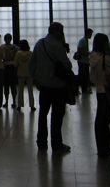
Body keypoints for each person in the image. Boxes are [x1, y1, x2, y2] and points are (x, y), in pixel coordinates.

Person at [30, 22, 73, 154]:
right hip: (58, 86)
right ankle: (56, 144)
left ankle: (41, 142)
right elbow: (68, 65)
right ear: (57, 32)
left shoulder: (40, 43)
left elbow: (32, 63)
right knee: (57, 116)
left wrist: (35, 79)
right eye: (61, 31)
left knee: (43, 114)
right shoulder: (58, 46)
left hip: (44, 86)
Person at [14, 39, 35, 112]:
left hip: (20, 73)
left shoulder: (18, 53)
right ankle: (32, 105)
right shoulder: (31, 53)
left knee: (20, 90)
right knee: (30, 90)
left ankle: (19, 105)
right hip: (29, 73)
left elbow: (15, 64)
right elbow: (33, 63)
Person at [1, 33, 18, 108]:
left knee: (8, 85)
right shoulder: (15, 47)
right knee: (11, 84)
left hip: (6, 66)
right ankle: (12, 101)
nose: (7, 40)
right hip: (11, 67)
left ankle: (8, 101)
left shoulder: (2, 47)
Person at [75, 28, 93, 94]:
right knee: (82, 76)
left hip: (84, 61)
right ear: (88, 33)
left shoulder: (84, 40)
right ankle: (76, 89)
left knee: (84, 76)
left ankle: (84, 90)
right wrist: (88, 53)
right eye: (91, 34)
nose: (91, 35)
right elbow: (80, 49)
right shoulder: (83, 40)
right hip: (83, 61)